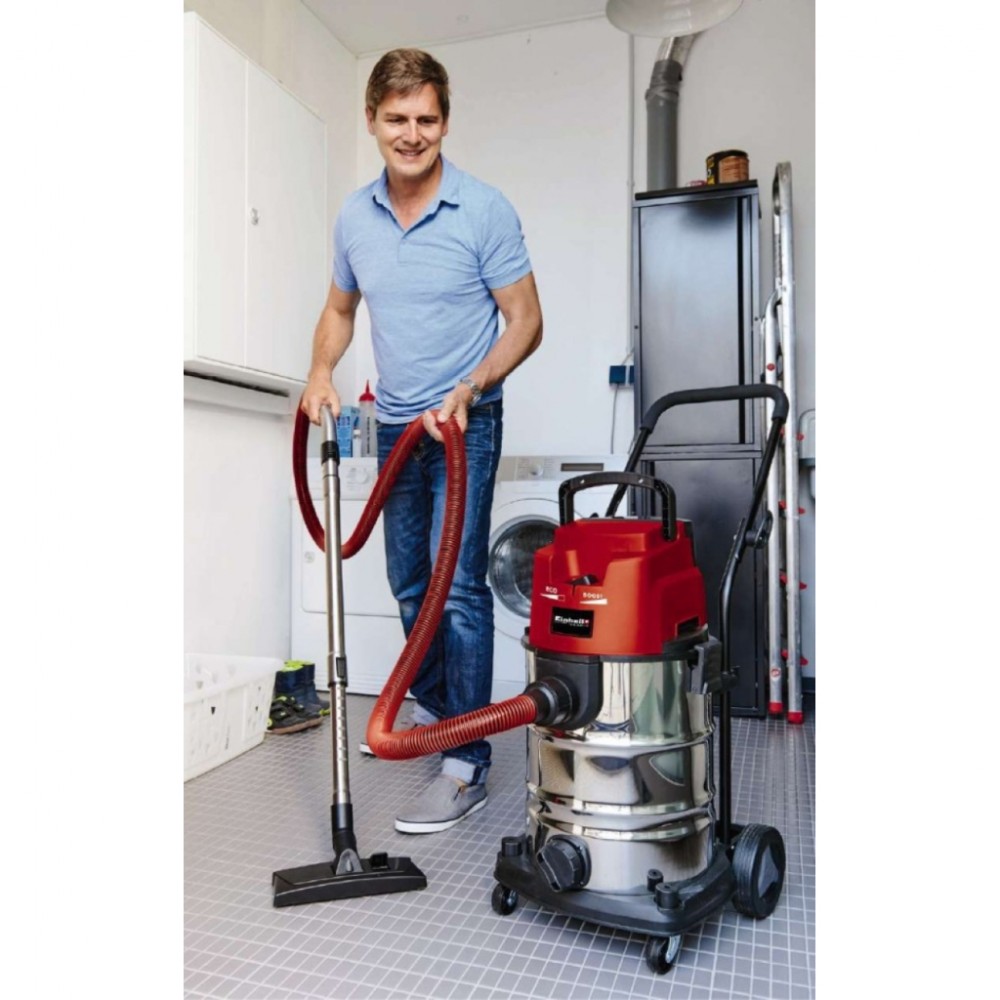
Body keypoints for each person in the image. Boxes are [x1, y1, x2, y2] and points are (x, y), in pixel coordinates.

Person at [300, 48, 543, 834]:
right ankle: (439, 717)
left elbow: (526, 320)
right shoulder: (354, 218)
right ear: (372, 119)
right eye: (397, 119)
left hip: (467, 423)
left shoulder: (484, 210)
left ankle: (466, 763)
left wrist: (471, 386)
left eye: (427, 119)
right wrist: (320, 371)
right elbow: (340, 310)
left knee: (460, 588)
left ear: (445, 122)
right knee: (410, 584)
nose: (412, 134)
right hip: (399, 425)